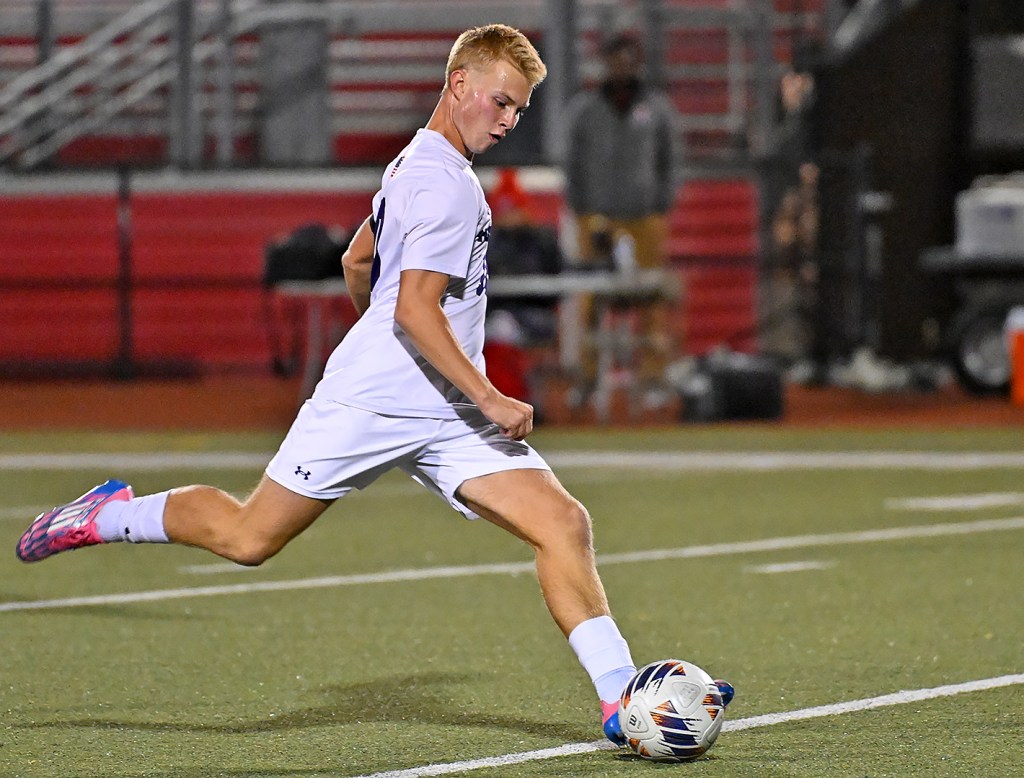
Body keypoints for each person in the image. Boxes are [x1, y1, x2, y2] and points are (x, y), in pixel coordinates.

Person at [16, 24, 715, 747]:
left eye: (520, 111)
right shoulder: (442, 184)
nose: (509, 122)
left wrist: (392, 342)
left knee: (563, 523)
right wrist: (483, 394)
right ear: (460, 85)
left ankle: (619, 700)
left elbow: (359, 260)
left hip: (439, 407)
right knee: (248, 537)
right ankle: (105, 515)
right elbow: (412, 307)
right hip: (377, 405)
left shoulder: (418, 161)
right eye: (502, 104)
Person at [562, 32, 680, 408]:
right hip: (599, 219)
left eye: (629, 58)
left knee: (650, 298)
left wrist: (660, 203)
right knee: (592, 299)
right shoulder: (585, 110)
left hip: (645, 218)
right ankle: (587, 376)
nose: (622, 66)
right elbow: (573, 163)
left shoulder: (657, 109)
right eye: (616, 59)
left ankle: (652, 377)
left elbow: (669, 160)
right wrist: (582, 208)